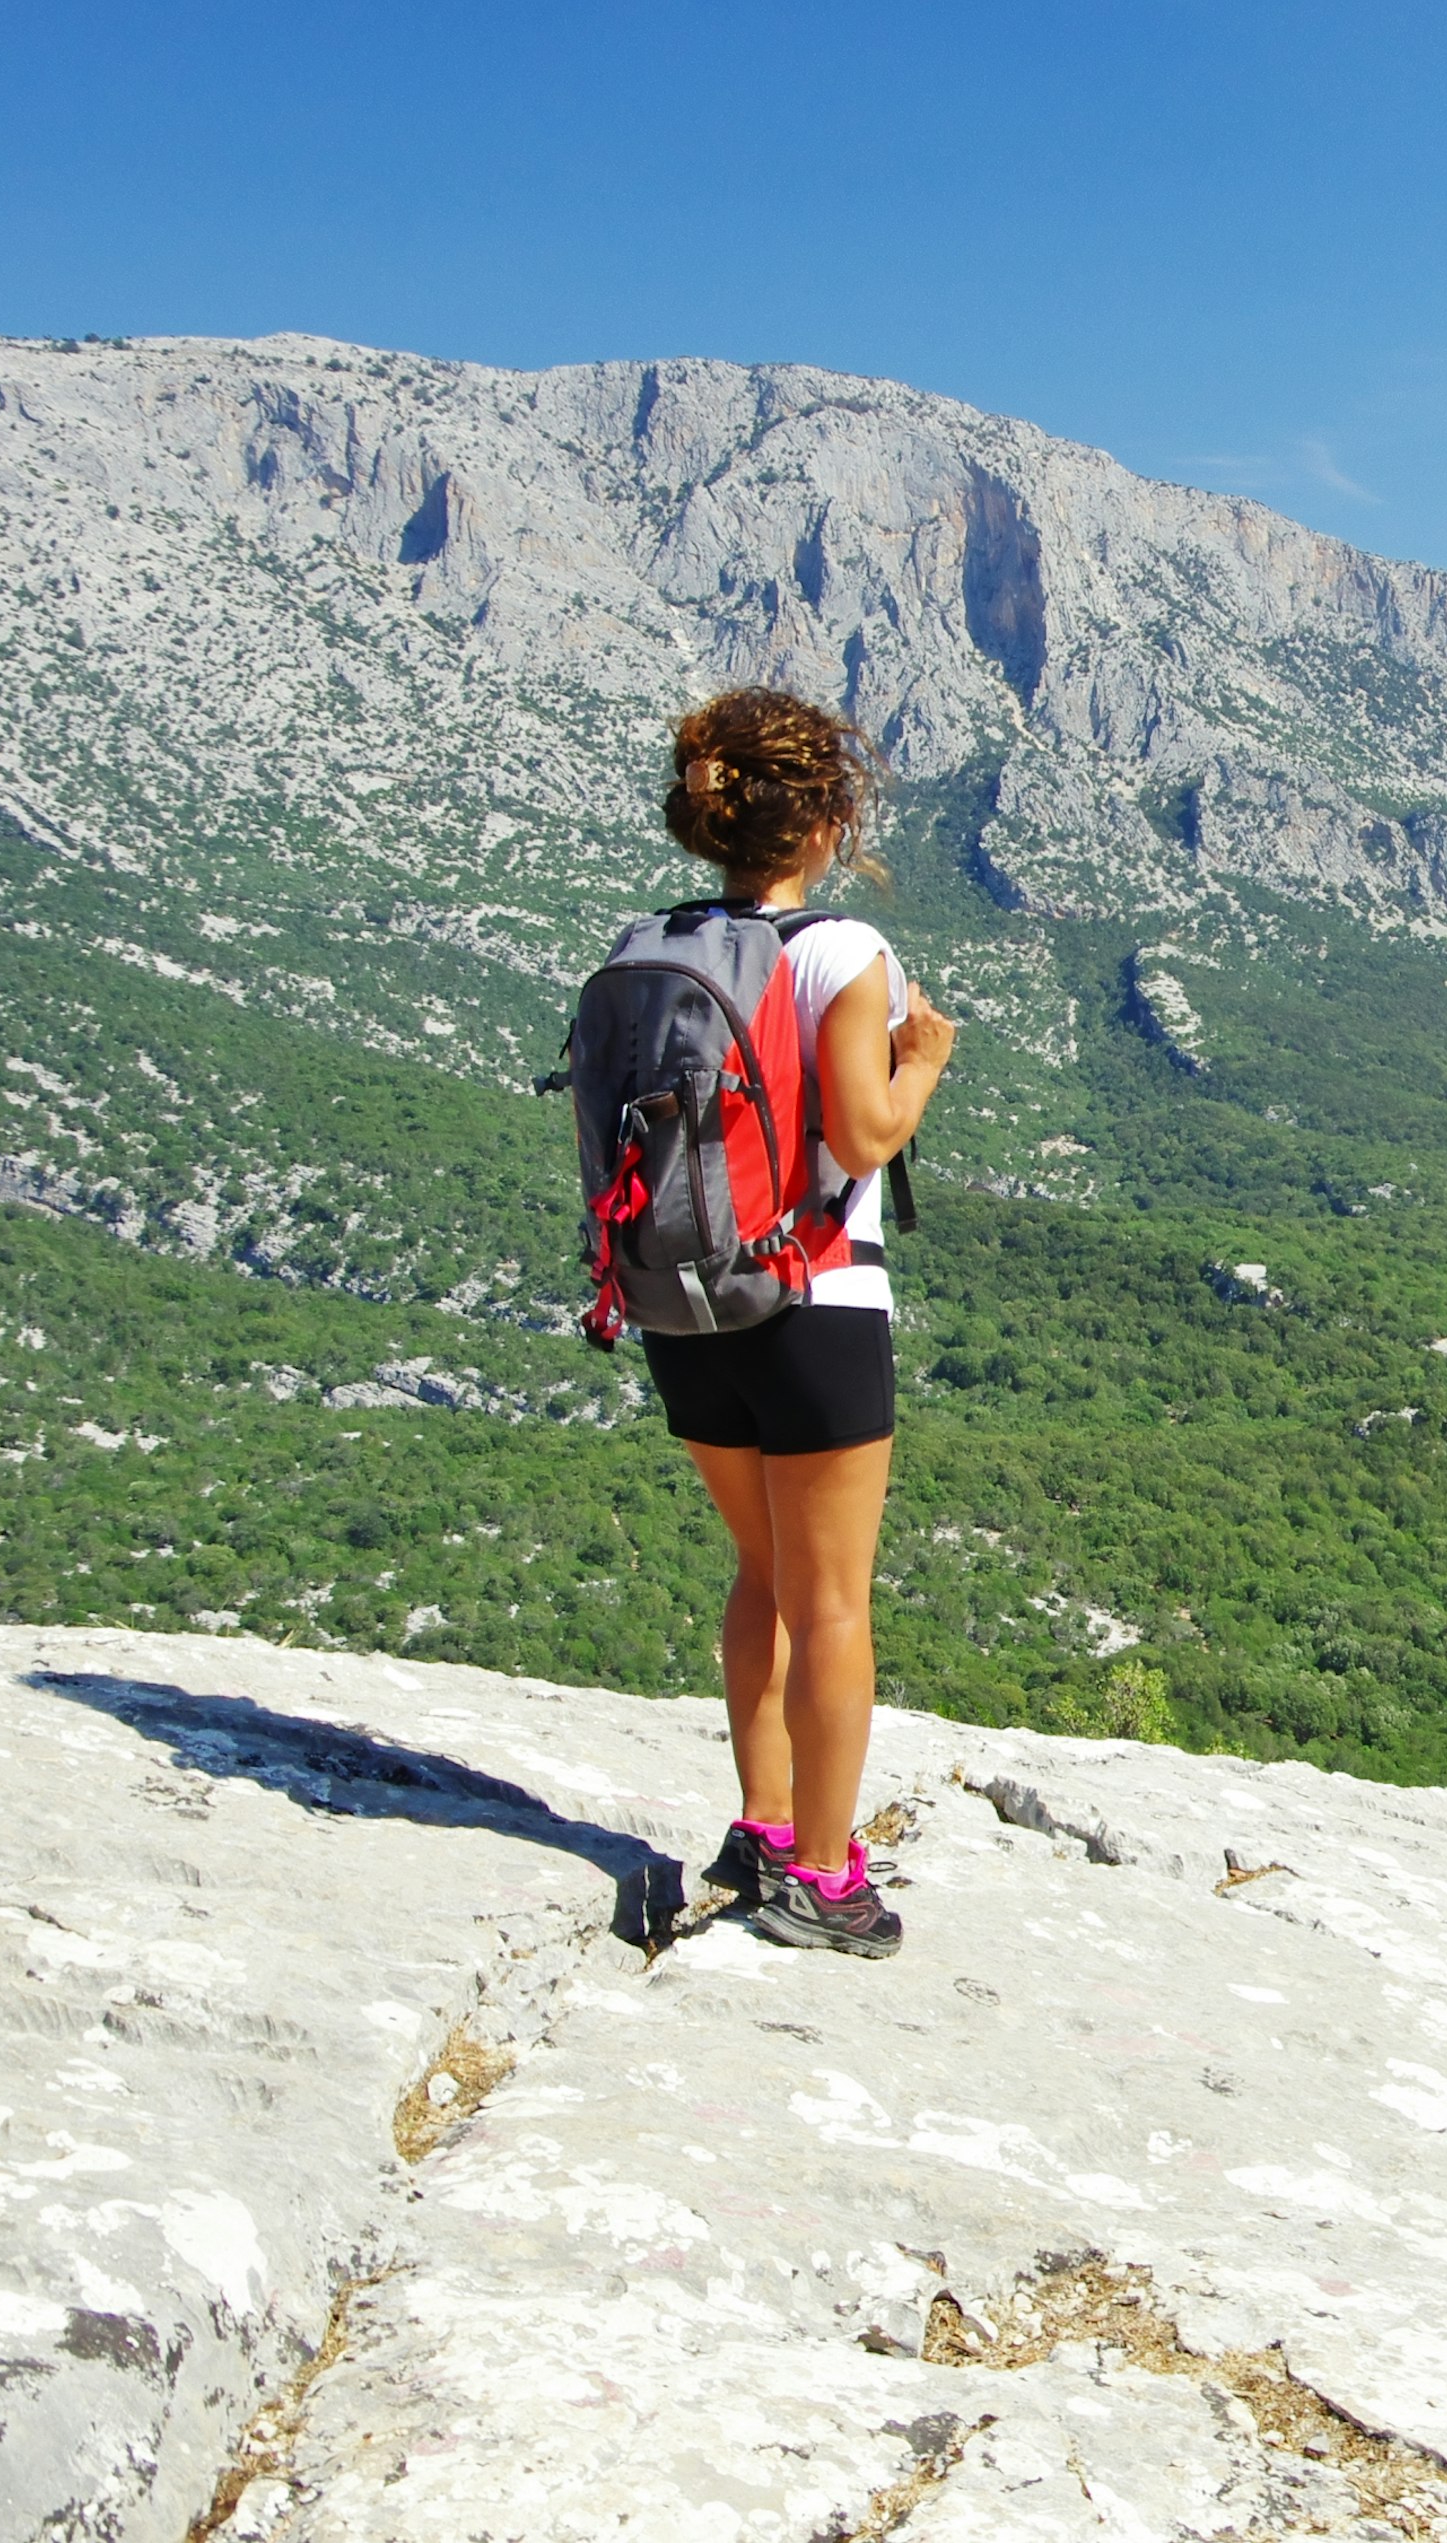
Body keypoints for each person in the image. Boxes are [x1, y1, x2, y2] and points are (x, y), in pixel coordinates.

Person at [643, 689, 956, 1957]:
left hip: (688, 1303)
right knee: (834, 1601)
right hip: (815, 1301)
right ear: (825, 821)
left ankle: (765, 1823)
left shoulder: (651, 940)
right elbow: (862, 1133)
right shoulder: (843, 951)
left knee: (763, 1574)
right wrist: (924, 1054)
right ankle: (822, 1880)